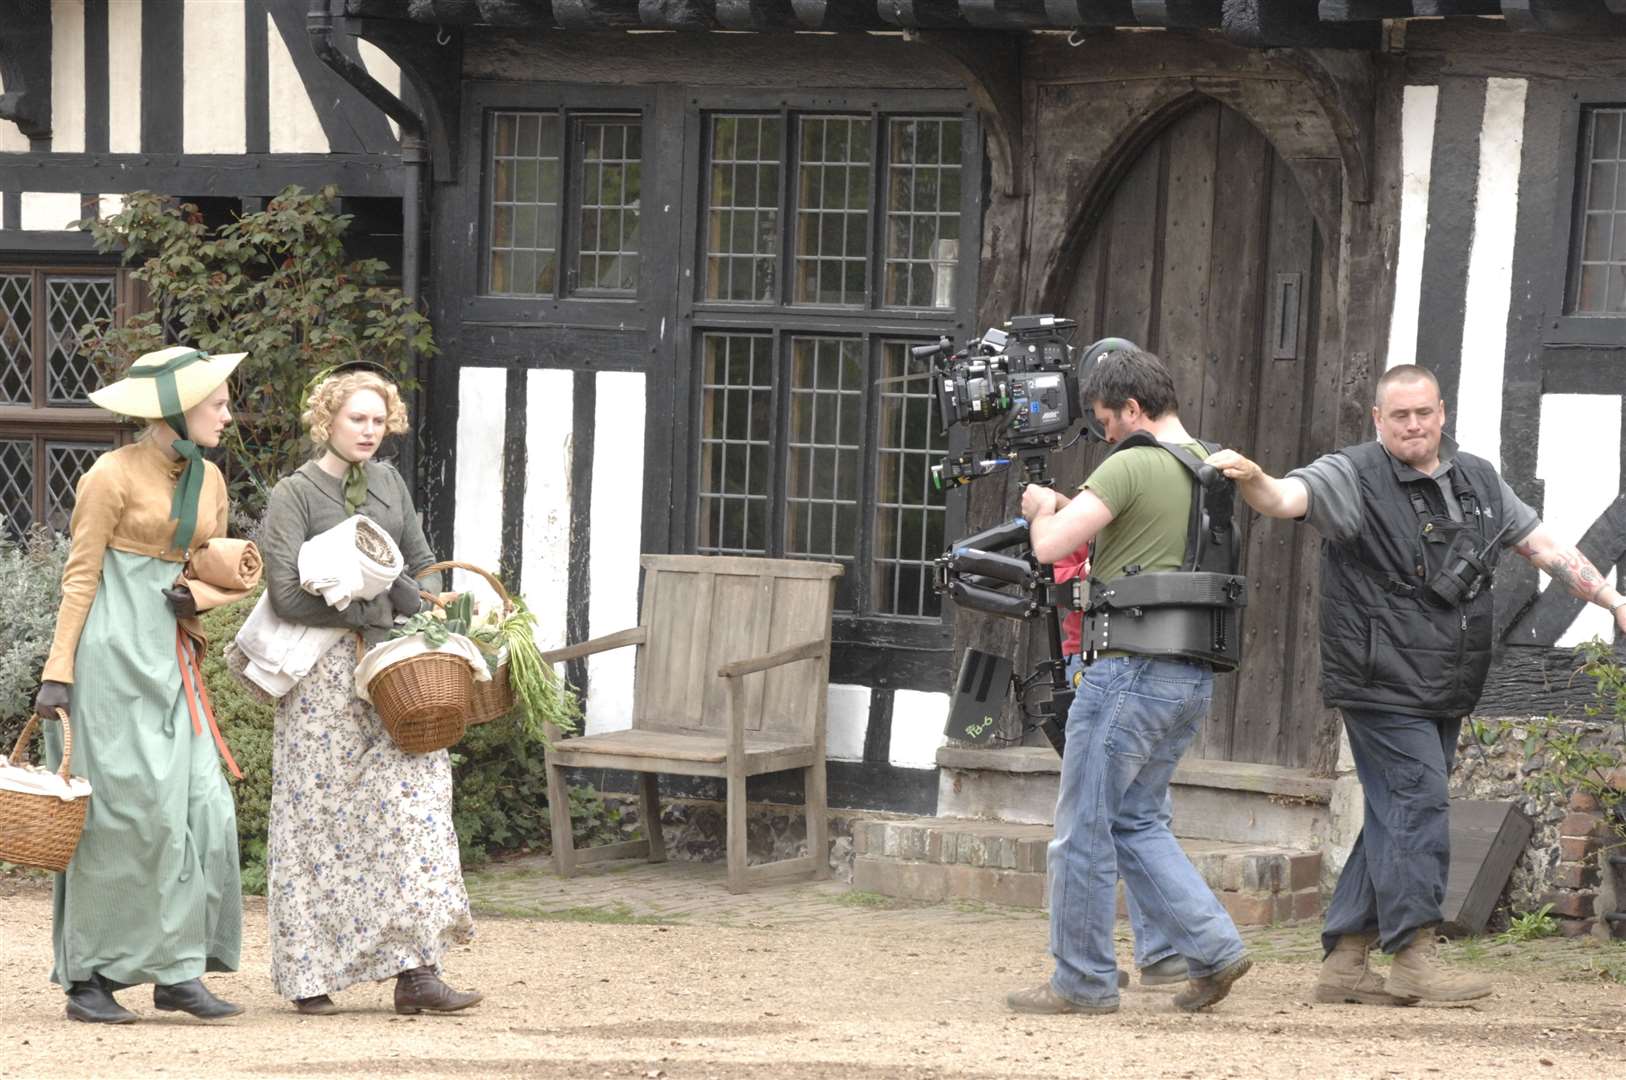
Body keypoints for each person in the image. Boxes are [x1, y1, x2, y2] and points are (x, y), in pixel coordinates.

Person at [1206, 363, 1626, 1005]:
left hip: (1446, 679)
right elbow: (1289, 498)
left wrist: (1612, 600)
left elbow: (1542, 546)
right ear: (1378, 419)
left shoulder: (1479, 479)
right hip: (1378, 679)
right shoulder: (1351, 474)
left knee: (1394, 815)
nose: (1413, 425)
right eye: (1399, 415)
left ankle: (1345, 963)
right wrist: (1257, 479)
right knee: (1419, 808)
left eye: (1423, 412)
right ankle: (1414, 956)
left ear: (1442, 412)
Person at [1006, 346, 1250, 1016]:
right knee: (1137, 821)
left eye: (1106, 419)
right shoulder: (1208, 464)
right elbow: (1143, 530)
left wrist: (1037, 508)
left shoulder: (1132, 463)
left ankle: (1081, 981)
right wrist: (1072, 501)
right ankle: (1213, 948)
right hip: (1189, 677)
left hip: (1127, 675)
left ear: (1133, 409)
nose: (1104, 432)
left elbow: (1052, 547)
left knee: (1083, 828)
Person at [34, 345, 248, 1024]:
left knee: (203, 811)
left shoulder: (208, 478)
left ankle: (178, 970)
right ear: (175, 409)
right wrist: (57, 673)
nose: (227, 412)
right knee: (123, 819)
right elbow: (80, 575)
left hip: (171, 656)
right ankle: (90, 978)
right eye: (217, 402)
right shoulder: (109, 475)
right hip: (108, 658)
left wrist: (201, 601)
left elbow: (214, 569)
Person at [258, 366, 480, 1017]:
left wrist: (445, 611)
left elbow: (418, 568)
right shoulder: (294, 494)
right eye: (356, 418)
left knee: (415, 812)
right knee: (317, 828)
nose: (368, 430)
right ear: (327, 418)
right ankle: (308, 973)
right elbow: (285, 593)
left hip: (393, 679)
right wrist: (363, 613)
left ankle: (418, 973)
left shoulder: (389, 483)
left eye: (378, 420)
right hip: (321, 685)